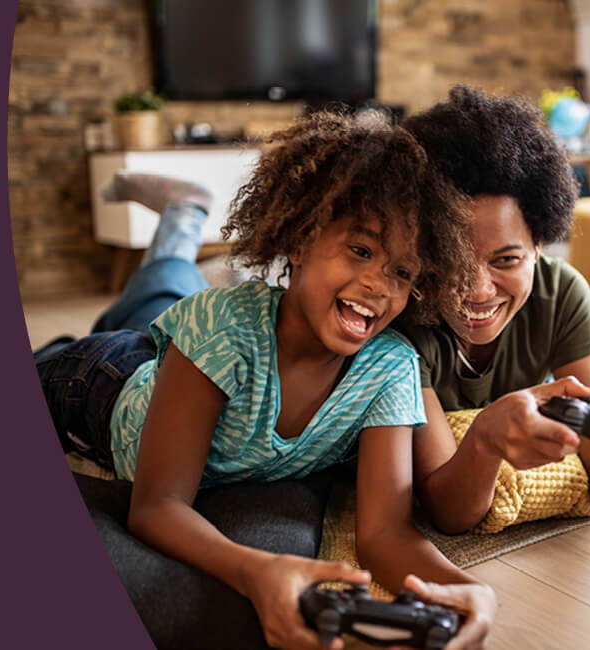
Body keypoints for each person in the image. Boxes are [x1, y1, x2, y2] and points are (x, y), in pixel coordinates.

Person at [35, 111, 495, 649]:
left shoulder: (390, 369)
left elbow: (383, 534)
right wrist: (259, 572)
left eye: (402, 272)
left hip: (182, 358)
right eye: (361, 250)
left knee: (158, 302)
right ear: (298, 242)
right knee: (141, 315)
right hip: (98, 380)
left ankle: (179, 226)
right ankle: (185, 215)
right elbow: (157, 507)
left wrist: (471, 590)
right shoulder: (223, 326)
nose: (377, 282)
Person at [392, 87, 590, 535]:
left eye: (506, 260)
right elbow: (448, 513)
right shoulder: (402, 320)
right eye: (452, 261)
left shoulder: (561, 296)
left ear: (539, 245)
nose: (478, 291)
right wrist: (485, 439)